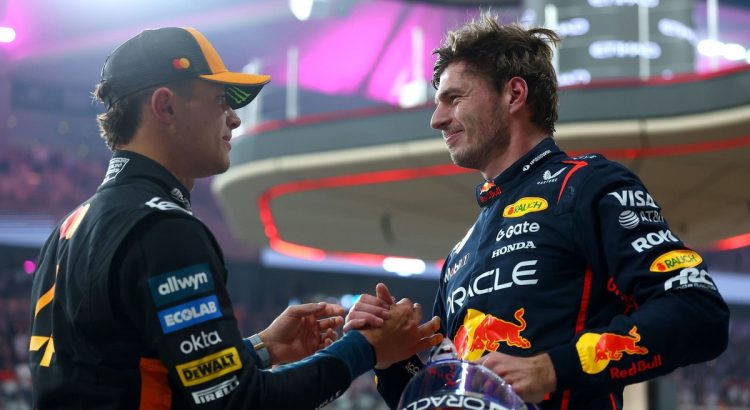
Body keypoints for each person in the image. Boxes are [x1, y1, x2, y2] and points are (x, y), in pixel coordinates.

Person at [28, 26, 443, 409]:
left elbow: (129, 375)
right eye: (220, 100)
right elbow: (241, 404)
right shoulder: (164, 230)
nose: (235, 118)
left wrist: (263, 348)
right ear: (165, 106)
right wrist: (365, 348)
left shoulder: (69, 228)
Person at [345, 15, 730, 409]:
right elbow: (446, 397)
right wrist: (390, 360)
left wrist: (553, 369)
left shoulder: (587, 185)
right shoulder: (461, 252)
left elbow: (699, 313)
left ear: (514, 94)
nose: (437, 119)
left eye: (454, 98)